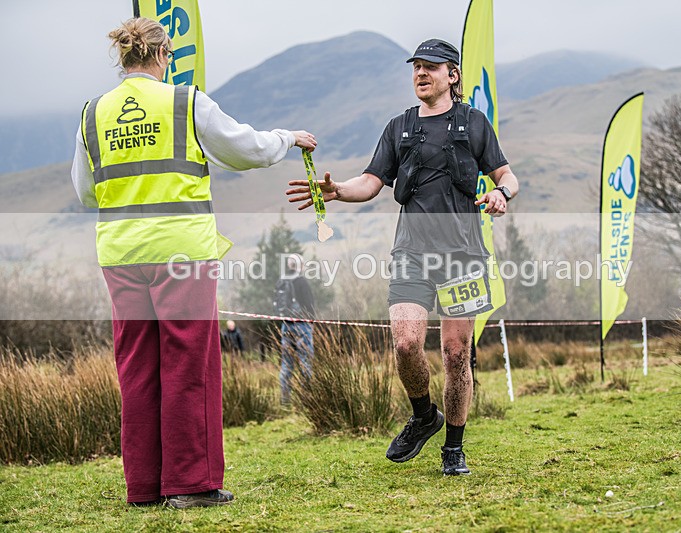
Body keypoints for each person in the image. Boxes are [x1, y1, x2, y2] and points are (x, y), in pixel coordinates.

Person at [71, 18, 317, 508]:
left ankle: (142, 488)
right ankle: (190, 485)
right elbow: (246, 149)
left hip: (119, 253)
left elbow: (83, 192)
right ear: (164, 55)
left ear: (123, 58)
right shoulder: (185, 101)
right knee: (189, 363)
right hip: (182, 251)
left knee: (136, 367)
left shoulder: (91, 112)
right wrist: (289, 138)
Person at [287, 39, 518, 475]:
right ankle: (423, 415)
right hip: (411, 252)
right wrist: (336, 192)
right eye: (416, 67)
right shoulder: (400, 127)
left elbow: (508, 175)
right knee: (407, 343)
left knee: (455, 354)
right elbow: (371, 181)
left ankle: (454, 446)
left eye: (430, 66)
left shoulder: (473, 123)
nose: (420, 73)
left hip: (464, 255)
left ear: (452, 74)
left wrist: (501, 193)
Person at [274, 253, 315, 404]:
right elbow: (309, 305)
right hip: (302, 325)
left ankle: (285, 401)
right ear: (300, 266)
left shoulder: (281, 281)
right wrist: (311, 323)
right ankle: (308, 399)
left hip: (286, 325)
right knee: (305, 361)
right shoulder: (301, 282)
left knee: (286, 363)